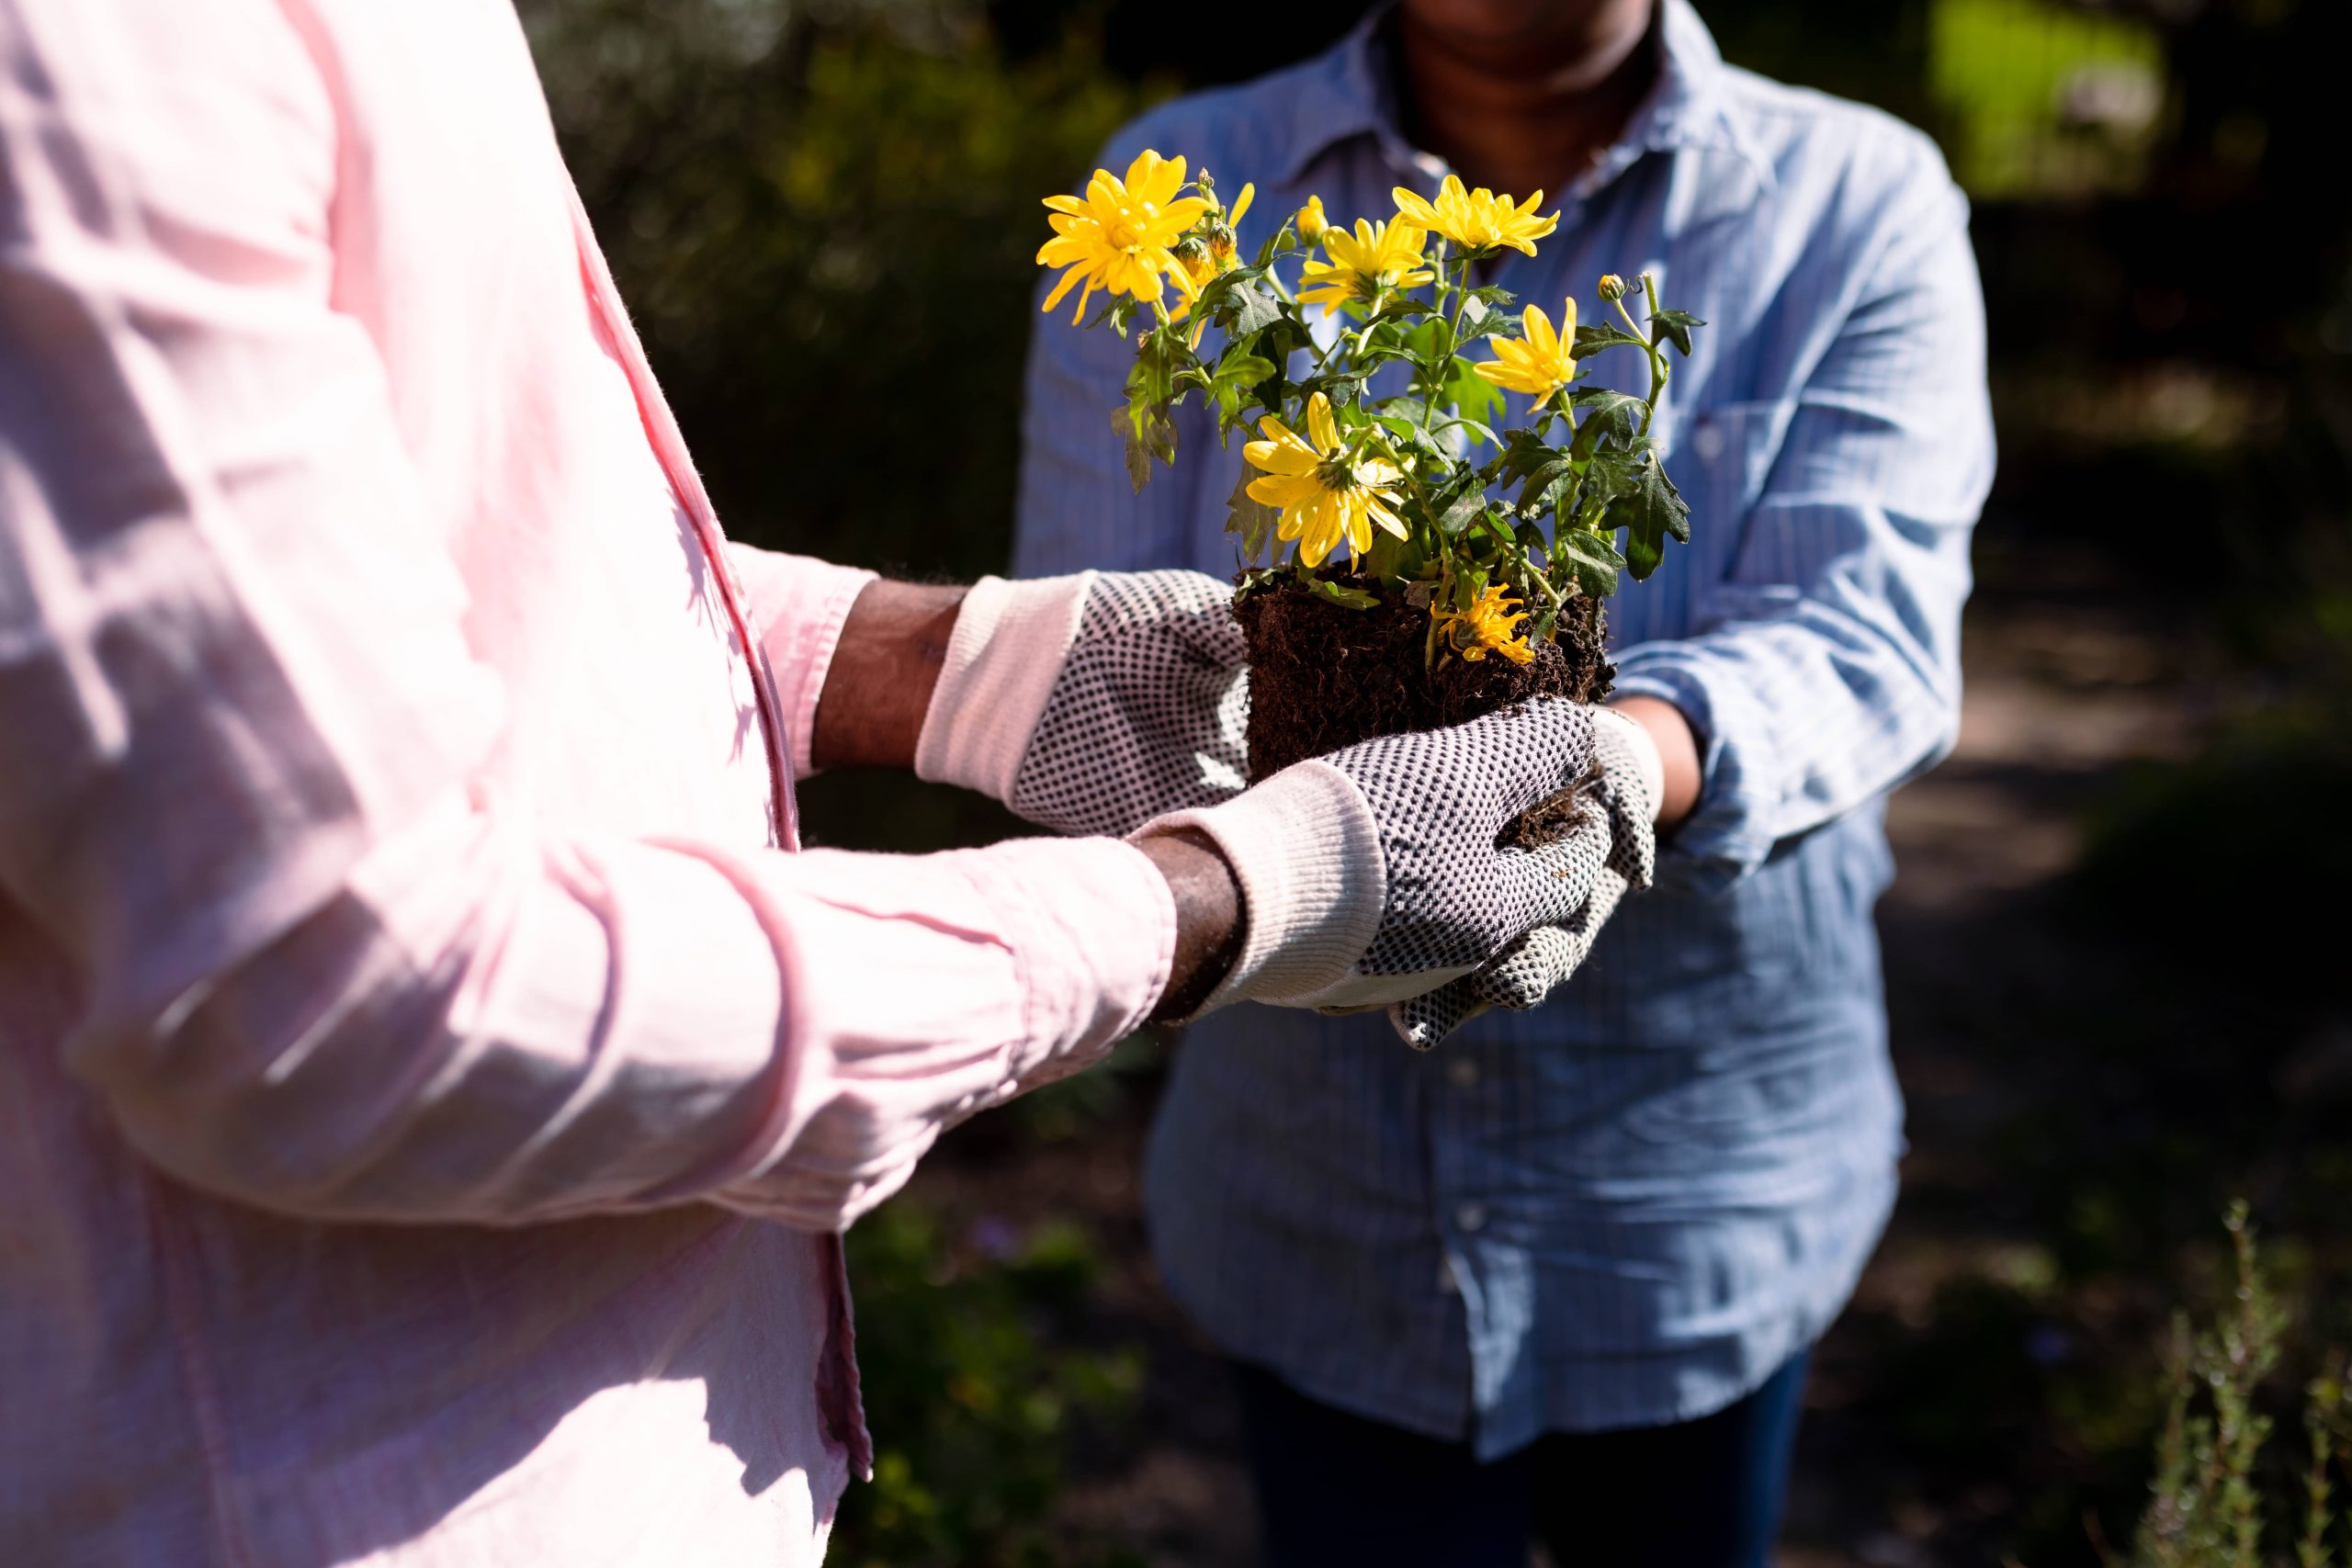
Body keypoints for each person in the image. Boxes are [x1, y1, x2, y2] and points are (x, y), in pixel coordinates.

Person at [0, 2, 1656, 1563]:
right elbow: (352, 992)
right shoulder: (97, 54)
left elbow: (432, 576)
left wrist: (943, 668)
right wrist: (1223, 897)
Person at [1016, 0, 1996, 1562]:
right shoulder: (1183, 185)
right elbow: (1082, 663)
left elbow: (1863, 635)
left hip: (1693, 1196)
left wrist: (1611, 763)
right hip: (1317, 1206)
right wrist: (1276, 857)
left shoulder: (1854, 197)